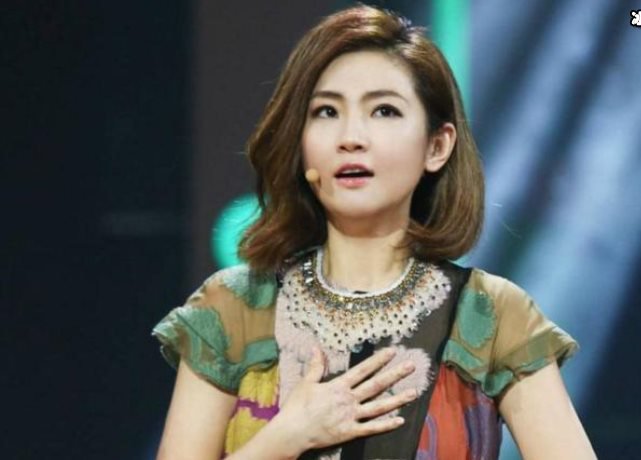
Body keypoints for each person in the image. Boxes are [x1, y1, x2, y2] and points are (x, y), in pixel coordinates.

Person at [152, 5, 597, 460]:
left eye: (384, 110)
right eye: (326, 111)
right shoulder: (234, 308)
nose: (351, 137)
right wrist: (284, 439)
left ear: (437, 146)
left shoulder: (491, 315)